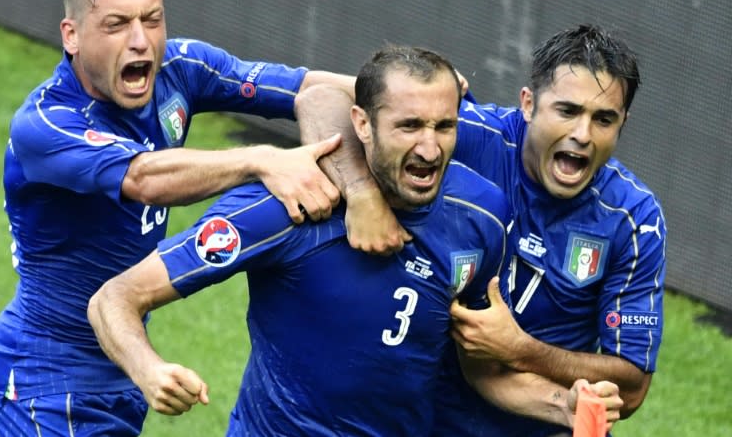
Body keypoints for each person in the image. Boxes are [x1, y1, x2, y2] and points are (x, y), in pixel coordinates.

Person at [88, 45, 624, 436]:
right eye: (409, 126)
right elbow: (115, 298)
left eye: (444, 126)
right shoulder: (287, 207)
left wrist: (562, 404)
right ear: (362, 124)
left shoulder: (481, 216)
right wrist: (149, 369)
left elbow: (479, 370)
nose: (431, 147)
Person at [0, 0, 355, 437]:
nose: (141, 41)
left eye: (151, 20)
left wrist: (405, 96)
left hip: (119, 367)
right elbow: (144, 178)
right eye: (116, 25)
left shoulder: (180, 68)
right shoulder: (46, 124)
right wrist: (261, 159)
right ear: (72, 35)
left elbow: (308, 88)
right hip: (46, 382)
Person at [296, 25, 666, 436]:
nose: (581, 135)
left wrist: (522, 351)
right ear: (528, 104)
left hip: (543, 421)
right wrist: (362, 192)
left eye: (603, 120)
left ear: (622, 124)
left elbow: (631, 388)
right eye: (567, 111)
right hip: (419, 419)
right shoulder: (463, 136)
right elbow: (319, 99)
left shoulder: (633, 218)